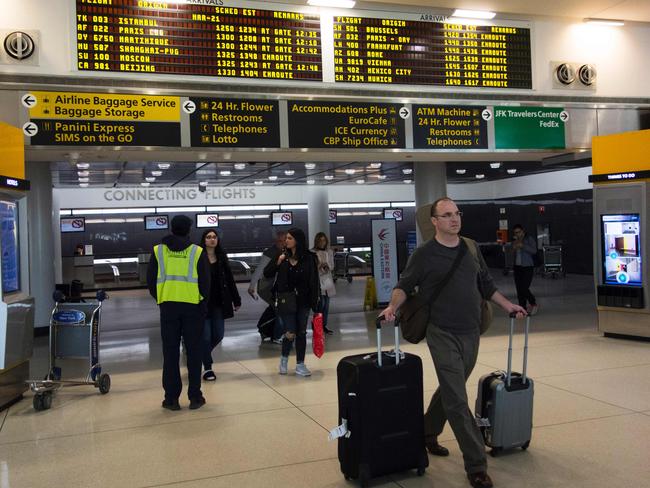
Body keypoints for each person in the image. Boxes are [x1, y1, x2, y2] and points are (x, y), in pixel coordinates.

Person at [380, 198, 526, 488]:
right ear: (434, 221)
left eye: (457, 214)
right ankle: (476, 465)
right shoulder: (424, 254)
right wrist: (392, 307)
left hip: (471, 331)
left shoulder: (470, 247)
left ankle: (426, 432)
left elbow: (486, 285)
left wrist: (508, 305)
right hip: (441, 332)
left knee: (451, 390)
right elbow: (403, 286)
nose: (454, 219)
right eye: (446, 215)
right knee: (458, 399)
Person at [147, 215, 210, 411]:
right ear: (189, 230)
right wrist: (201, 304)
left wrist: (162, 298)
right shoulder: (197, 252)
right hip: (192, 307)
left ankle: (171, 399)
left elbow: (150, 281)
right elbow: (206, 283)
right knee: (193, 353)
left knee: (170, 353)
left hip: (168, 308)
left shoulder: (158, 251)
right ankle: (195, 397)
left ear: (172, 229)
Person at [264, 227, 320, 377]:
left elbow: (314, 281)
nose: (286, 241)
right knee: (290, 332)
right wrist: (278, 261)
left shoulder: (309, 257)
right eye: (286, 238)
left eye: (289, 238)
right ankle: (284, 359)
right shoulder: (282, 255)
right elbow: (267, 273)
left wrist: (316, 302)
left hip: (304, 300)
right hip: (286, 300)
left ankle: (300, 364)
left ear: (297, 240)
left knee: (301, 332)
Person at [199, 229, 241, 381]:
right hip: (202, 303)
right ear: (204, 240)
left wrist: (236, 299)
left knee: (218, 334)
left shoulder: (222, 258)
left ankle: (199, 355)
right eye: (209, 237)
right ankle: (208, 367)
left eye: (214, 237)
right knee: (206, 336)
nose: (212, 240)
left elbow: (229, 279)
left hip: (219, 303)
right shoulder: (198, 257)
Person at [248, 230, 287, 343]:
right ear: (276, 241)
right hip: (266, 288)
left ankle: (265, 330)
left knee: (276, 309)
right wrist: (251, 287)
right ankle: (276, 335)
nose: (283, 242)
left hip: (277, 287)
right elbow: (259, 270)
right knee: (281, 309)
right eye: (280, 240)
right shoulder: (270, 252)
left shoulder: (286, 251)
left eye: (285, 240)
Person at [311, 232, 336, 334]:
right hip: (318, 282)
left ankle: (323, 325)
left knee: (326, 306)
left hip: (328, 281)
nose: (322, 242)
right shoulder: (312, 253)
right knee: (320, 305)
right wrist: (319, 266)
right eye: (320, 240)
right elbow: (311, 269)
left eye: (324, 240)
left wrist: (327, 266)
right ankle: (317, 326)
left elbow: (332, 266)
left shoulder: (329, 252)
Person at [512, 224, 538, 315]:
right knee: (519, 289)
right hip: (517, 267)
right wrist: (514, 248)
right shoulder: (515, 240)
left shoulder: (529, 239)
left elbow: (534, 250)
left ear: (523, 231)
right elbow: (513, 251)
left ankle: (533, 303)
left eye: (518, 232)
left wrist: (523, 246)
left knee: (524, 287)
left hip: (527, 267)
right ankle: (522, 308)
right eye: (515, 233)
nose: (517, 234)